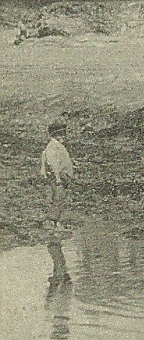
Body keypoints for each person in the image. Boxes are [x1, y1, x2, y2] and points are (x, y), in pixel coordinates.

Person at [40, 119, 74, 283]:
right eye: (61, 134)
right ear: (56, 135)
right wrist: (59, 178)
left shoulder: (55, 146)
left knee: (60, 199)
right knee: (58, 199)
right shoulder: (53, 147)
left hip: (60, 177)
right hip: (58, 178)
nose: (64, 137)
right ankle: (52, 222)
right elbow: (53, 164)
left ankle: (56, 222)